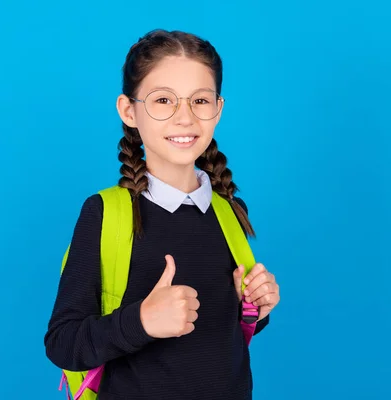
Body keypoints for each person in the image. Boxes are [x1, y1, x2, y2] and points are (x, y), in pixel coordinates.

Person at [44, 29, 281, 400]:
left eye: (199, 101)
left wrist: (255, 308)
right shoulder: (103, 214)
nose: (184, 118)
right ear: (129, 110)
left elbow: (220, 339)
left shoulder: (230, 211)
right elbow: (63, 343)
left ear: (218, 109)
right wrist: (141, 321)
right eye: (163, 100)